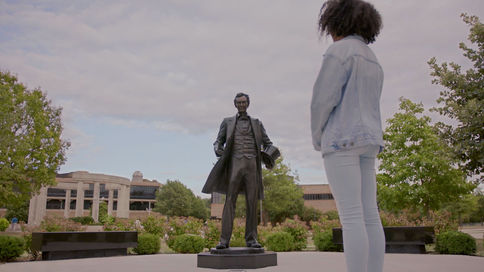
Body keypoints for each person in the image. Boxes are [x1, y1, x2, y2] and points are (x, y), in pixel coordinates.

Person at [310, 1, 385, 272]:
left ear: (336, 22)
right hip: (369, 139)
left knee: (351, 217)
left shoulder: (339, 52)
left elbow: (322, 101)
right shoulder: (372, 58)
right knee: (370, 216)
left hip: (341, 138)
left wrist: (318, 136)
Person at [202, 92, 274, 249]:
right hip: (234, 164)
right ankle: (224, 240)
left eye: (244, 102)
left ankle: (252, 239)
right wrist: (217, 148)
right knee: (229, 201)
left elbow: (268, 143)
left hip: (252, 166)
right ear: (235, 104)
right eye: (239, 103)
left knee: (252, 203)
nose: (242, 105)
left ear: (248, 103)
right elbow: (218, 141)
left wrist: (268, 156)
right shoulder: (227, 122)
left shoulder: (257, 123)